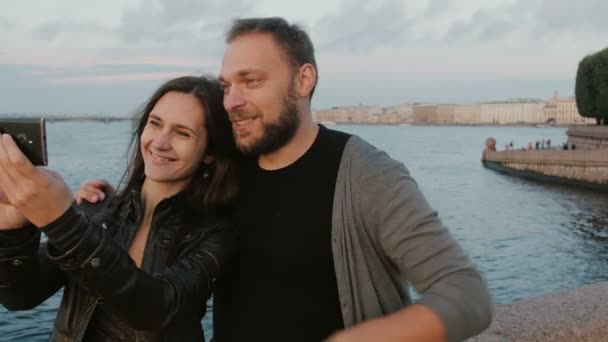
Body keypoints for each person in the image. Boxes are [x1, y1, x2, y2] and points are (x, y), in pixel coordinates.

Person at [77, 17, 493, 342]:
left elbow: (466, 293)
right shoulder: (228, 173)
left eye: (252, 81)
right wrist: (110, 206)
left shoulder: (366, 173)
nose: (233, 101)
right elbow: (163, 217)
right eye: (227, 86)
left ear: (304, 80)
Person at [0, 75, 240, 341]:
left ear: (210, 152)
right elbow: (20, 297)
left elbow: (153, 308)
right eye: (154, 123)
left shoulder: (215, 233)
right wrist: (13, 228)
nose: (160, 142)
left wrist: (61, 221)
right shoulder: (98, 209)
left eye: (182, 133)